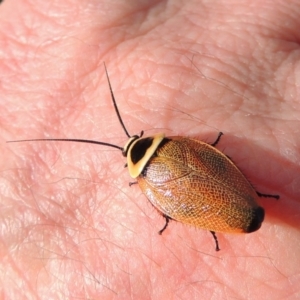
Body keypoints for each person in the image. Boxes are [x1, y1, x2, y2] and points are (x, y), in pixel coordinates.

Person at [0, 0, 298, 299]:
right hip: (230, 193)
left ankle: (247, 204)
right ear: (147, 137)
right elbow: (214, 157)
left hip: (188, 196)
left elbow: (172, 205)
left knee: (176, 197)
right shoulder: (174, 143)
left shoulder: (144, 182)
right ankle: (256, 196)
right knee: (212, 165)